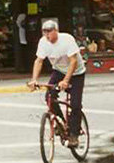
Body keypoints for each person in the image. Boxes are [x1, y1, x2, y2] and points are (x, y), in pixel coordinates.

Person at [28, 20, 86, 148]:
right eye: (44, 32)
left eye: (49, 31)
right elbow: (39, 61)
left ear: (56, 31)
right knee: (49, 96)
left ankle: (74, 134)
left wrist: (66, 80)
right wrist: (34, 79)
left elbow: (73, 61)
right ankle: (61, 122)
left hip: (76, 73)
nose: (47, 35)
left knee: (75, 105)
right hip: (59, 71)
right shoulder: (43, 42)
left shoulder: (67, 40)